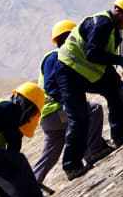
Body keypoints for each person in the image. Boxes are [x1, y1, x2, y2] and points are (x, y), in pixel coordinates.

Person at [51, 0, 123, 180]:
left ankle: (119, 134)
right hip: (68, 72)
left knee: (115, 93)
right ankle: (72, 165)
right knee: (78, 117)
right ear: (122, 13)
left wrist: (119, 84)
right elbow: (93, 54)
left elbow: (105, 65)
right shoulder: (102, 24)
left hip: (84, 72)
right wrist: (119, 59)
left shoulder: (113, 30)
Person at [31, 19, 112, 184]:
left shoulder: (62, 57)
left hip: (48, 118)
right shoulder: (56, 57)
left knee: (50, 154)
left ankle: (29, 185)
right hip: (56, 112)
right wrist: (68, 103)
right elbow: (51, 85)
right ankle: (93, 150)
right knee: (93, 109)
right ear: (67, 38)